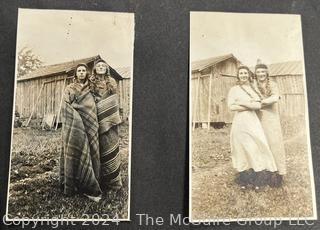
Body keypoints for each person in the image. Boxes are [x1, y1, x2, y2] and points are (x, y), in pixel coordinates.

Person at [227, 65, 277, 189]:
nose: (243, 75)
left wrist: (241, 103)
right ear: (238, 75)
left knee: (254, 147)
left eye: (245, 73)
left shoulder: (253, 88)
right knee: (240, 148)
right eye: (241, 73)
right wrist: (250, 104)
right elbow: (231, 107)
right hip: (239, 122)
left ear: (249, 75)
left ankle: (256, 179)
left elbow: (258, 106)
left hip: (252, 121)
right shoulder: (234, 89)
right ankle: (244, 179)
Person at [60, 63, 102, 202]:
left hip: (91, 123)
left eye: (84, 70)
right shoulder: (69, 88)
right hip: (75, 125)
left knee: (92, 150)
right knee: (75, 151)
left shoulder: (92, 87)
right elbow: (65, 106)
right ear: (76, 73)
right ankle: (74, 184)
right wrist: (76, 119)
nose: (82, 72)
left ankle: (93, 180)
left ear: (87, 73)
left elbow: (99, 101)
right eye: (79, 71)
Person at [90, 59, 122, 190]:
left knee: (111, 146)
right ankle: (99, 180)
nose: (101, 67)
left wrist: (109, 114)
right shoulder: (91, 81)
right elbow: (88, 99)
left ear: (106, 68)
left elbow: (114, 100)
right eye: (99, 66)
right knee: (98, 149)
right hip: (95, 118)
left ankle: (113, 181)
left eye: (103, 65)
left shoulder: (112, 81)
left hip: (110, 121)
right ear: (95, 69)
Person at [253, 60, 286, 187]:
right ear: (255, 74)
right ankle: (265, 173)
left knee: (275, 144)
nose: (261, 74)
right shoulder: (253, 85)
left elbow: (275, 97)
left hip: (271, 118)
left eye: (263, 71)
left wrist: (260, 102)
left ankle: (279, 174)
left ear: (267, 72)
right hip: (258, 118)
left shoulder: (272, 84)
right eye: (258, 72)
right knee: (261, 145)